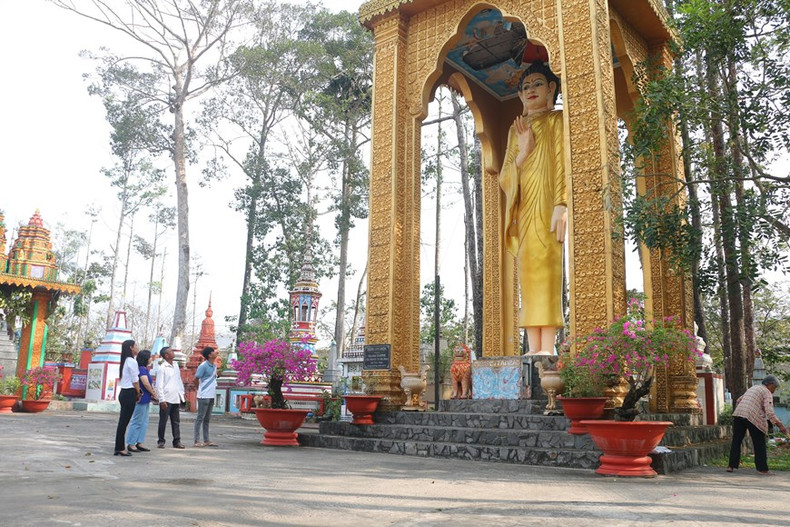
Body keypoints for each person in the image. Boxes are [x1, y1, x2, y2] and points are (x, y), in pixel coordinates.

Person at [499, 61, 567, 355]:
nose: (530, 91)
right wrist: (523, 151)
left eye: (537, 84)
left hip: (548, 205)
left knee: (548, 271)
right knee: (527, 275)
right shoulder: (517, 131)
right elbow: (504, 178)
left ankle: (547, 347)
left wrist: (562, 204)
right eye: (525, 87)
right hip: (525, 208)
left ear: (552, 88)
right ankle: (532, 347)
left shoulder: (557, 121)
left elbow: (563, 165)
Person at [727, 375, 788, 475]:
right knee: (759, 442)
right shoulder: (766, 392)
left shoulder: (753, 388)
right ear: (770, 384)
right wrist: (780, 425)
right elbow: (770, 412)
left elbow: (739, 400)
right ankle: (762, 468)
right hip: (752, 417)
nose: (774, 390)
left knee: (736, 441)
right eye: (774, 387)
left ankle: (731, 466)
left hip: (739, 414)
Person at [125, 349, 157, 453]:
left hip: (146, 398)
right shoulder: (141, 370)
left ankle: (140, 441)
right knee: (137, 421)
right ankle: (131, 442)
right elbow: (146, 383)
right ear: (146, 358)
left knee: (144, 421)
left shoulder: (144, 369)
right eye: (150, 357)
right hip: (141, 398)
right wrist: (153, 393)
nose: (151, 359)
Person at [114, 339, 141, 456]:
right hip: (129, 392)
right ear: (131, 347)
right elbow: (135, 380)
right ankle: (120, 447)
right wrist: (138, 392)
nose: (137, 347)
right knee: (124, 422)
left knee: (123, 421)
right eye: (136, 345)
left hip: (124, 392)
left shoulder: (125, 360)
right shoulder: (131, 361)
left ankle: (119, 446)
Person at [155, 347, 186, 449]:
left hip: (176, 397)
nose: (173, 353)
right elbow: (159, 384)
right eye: (171, 352)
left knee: (176, 421)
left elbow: (178, 381)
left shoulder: (176, 365)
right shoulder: (162, 367)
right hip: (166, 398)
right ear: (166, 355)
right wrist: (162, 399)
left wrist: (182, 394)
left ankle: (177, 441)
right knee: (163, 420)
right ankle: (161, 440)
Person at [193, 346, 219, 448]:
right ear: (209, 355)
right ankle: (196, 440)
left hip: (211, 394)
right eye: (213, 352)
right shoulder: (203, 366)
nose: (215, 353)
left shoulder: (214, 366)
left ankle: (206, 440)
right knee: (200, 418)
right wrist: (200, 389)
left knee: (207, 418)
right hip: (204, 395)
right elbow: (196, 379)